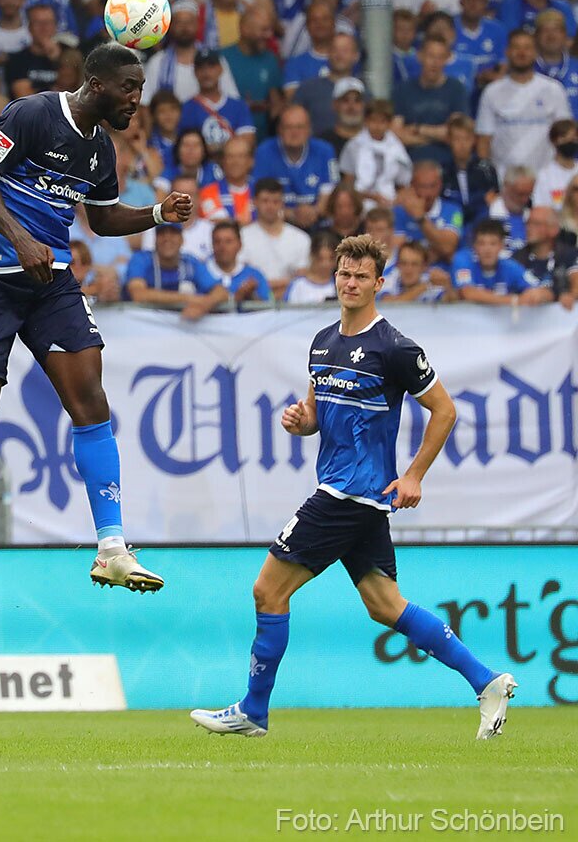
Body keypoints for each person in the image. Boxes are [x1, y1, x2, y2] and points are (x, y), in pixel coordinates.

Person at [190, 233, 517, 740]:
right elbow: (314, 416)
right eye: (344, 273)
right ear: (335, 276)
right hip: (358, 498)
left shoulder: (396, 348)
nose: (351, 283)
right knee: (385, 605)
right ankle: (487, 680)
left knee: (267, 590)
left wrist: (413, 475)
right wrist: (301, 420)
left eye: (362, 276)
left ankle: (253, 710)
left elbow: (445, 411)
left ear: (379, 283)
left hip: (347, 495)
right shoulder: (323, 341)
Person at [0, 42, 193, 627]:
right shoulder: (32, 114)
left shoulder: (100, 148)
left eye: (140, 89)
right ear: (96, 83)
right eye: (129, 88)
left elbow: (101, 219)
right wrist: (20, 239)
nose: (137, 99)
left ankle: (112, 547)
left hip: (49, 278)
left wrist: (157, 214)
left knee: (91, 399)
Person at [476, 28, 571, 177]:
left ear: (535, 52)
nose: (522, 53)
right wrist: (487, 179)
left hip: (546, 178)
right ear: (507, 52)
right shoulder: (492, 92)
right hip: (505, 178)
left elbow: (566, 135)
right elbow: (484, 140)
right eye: (516, 47)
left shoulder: (553, 89)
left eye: (527, 48)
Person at [252, 105, 337, 229]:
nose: (294, 132)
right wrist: (292, 214)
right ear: (279, 130)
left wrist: (315, 211)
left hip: (318, 222)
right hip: (278, 223)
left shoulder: (325, 150)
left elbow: (331, 190)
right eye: (288, 127)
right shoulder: (264, 152)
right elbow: (259, 197)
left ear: (309, 129)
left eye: (300, 127)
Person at [392, 35, 469, 171]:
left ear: (447, 59)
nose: (435, 63)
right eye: (431, 56)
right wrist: (437, 136)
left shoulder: (456, 90)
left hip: (447, 166)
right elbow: (396, 135)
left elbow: (454, 134)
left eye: (440, 57)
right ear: (420, 56)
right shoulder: (402, 90)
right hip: (410, 166)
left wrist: (418, 129)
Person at [124, 222, 229, 318]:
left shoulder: (190, 263)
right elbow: (138, 294)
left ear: (182, 239)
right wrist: (189, 299)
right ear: (155, 239)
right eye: (162, 233)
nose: (167, 238)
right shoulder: (141, 259)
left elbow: (221, 292)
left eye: (173, 233)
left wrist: (204, 305)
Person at [219, 5, 283, 144]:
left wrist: (268, 107)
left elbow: (276, 102)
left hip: (263, 140)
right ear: (245, 29)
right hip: (228, 141)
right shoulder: (222, 58)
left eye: (270, 29)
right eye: (264, 30)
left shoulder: (270, 59)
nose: (269, 35)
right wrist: (242, 107)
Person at [239, 177, 311, 298]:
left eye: (275, 201)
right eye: (265, 201)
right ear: (254, 202)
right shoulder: (242, 237)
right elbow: (242, 279)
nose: (270, 206)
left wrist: (264, 285)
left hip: (293, 303)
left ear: (282, 203)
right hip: (254, 303)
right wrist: (286, 282)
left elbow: (304, 279)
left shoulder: (301, 238)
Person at [452, 218, 550, 305]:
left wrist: (538, 295)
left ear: (501, 246)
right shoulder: (463, 260)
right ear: (474, 246)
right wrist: (514, 300)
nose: (487, 250)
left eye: (493, 244)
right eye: (482, 243)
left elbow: (540, 289)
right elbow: (467, 293)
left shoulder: (510, 266)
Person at [178, 49, 255, 156]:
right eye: (201, 68)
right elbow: (187, 149)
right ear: (195, 72)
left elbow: (247, 142)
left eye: (211, 66)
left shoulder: (239, 106)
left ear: (220, 69)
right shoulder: (186, 109)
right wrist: (228, 146)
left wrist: (211, 148)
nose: (206, 73)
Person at [341, 100, 412, 210]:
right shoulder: (354, 146)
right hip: (359, 202)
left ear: (389, 123)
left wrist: (395, 201)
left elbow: (403, 185)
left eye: (382, 121)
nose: (377, 126)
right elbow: (347, 184)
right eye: (373, 120)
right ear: (365, 121)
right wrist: (372, 197)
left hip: (390, 202)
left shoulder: (397, 148)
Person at [394, 161, 463, 266]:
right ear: (412, 185)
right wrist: (434, 251)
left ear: (440, 185)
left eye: (433, 186)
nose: (428, 192)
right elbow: (397, 252)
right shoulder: (398, 211)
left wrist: (420, 218)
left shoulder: (453, 210)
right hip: (409, 272)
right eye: (423, 186)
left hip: (441, 272)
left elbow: (447, 248)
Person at [513, 206, 578, 306]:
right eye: (527, 223)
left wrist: (571, 296)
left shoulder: (569, 254)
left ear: (554, 229)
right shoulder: (516, 259)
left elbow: (576, 280)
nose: (528, 228)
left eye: (536, 224)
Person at [442, 113, 499, 226]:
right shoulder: (442, 171)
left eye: (466, 139)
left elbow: (493, 199)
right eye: (457, 139)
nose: (462, 144)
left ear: (474, 140)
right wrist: (479, 201)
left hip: (481, 223)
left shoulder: (486, 169)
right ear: (449, 140)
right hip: (450, 223)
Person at [205, 219, 270, 302]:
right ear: (212, 244)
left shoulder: (255, 275)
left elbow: (267, 306)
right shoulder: (201, 273)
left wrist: (251, 296)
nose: (222, 247)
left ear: (239, 245)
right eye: (217, 241)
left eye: (228, 241)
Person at [379, 238, 450, 303]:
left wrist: (447, 286)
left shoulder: (431, 281)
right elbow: (390, 305)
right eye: (404, 263)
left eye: (414, 264)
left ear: (424, 267)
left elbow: (451, 302)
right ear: (397, 265)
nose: (408, 270)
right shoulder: (387, 281)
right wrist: (425, 286)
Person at [534, 118, 578, 212]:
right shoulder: (544, 176)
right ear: (554, 141)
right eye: (565, 139)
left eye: (574, 139)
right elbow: (541, 209)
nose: (571, 142)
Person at [283, 230, 338, 303]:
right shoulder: (298, 285)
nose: (326, 264)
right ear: (312, 256)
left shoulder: (340, 285)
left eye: (331, 259)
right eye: (320, 259)